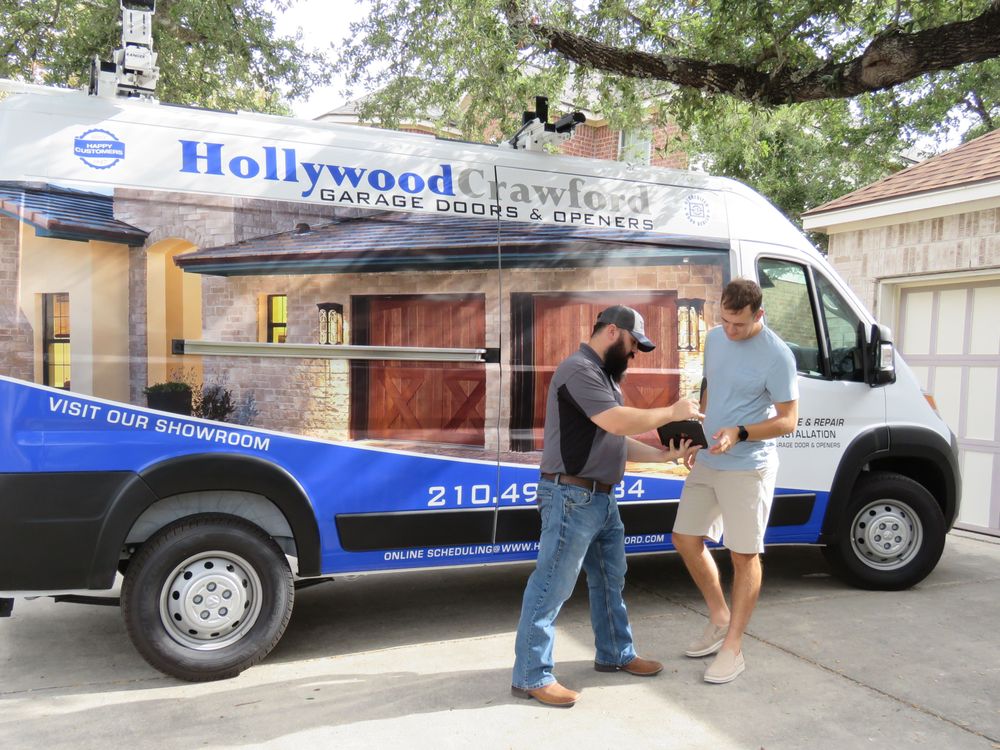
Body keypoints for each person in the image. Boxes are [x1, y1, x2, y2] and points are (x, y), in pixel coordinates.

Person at [511, 304, 702, 708]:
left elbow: (614, 438)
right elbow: (616, 422)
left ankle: (615, 653)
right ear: (613, 332)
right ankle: (531, 675)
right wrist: (671, 411)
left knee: (610, 580)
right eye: (634, 345)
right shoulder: (578, 370)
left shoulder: (603, 377)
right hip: (571, 497)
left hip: (599, 497)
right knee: (550, 586)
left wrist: (663, 456)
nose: (634, 355)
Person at [672, 278, 798, 684]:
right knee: (685, 538)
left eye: (739, 325)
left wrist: (740, 432)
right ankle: (719, 615)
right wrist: (699, 434)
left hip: (749, 465)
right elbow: (710, 388)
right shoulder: (714, 339)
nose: (730, 331)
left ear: (758, 314)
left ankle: (734, 647)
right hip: (711, 457)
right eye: (725, 321)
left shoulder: (777, 356)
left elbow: (788, 421)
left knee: (744, 555)